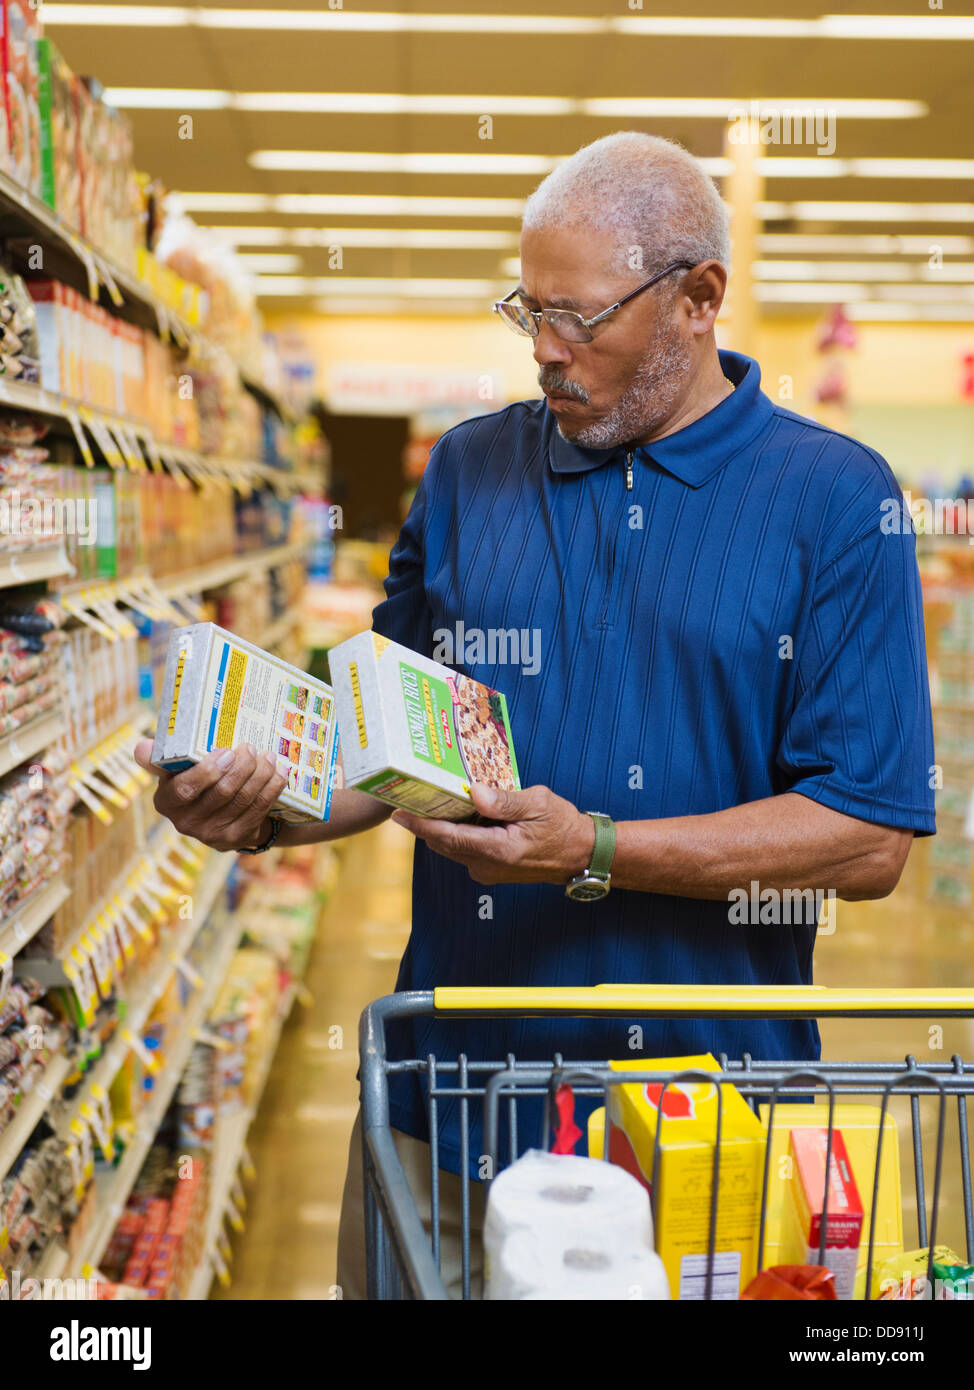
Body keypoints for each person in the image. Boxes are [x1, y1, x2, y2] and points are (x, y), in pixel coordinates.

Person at [134, 132, 935, 1300]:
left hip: (701, 1129)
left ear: (695, 298)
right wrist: (261, 812)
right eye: (529, 314)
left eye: (581, 319)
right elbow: (390, 747)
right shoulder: (467, 472)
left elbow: (865, 839)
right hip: (451, 1098)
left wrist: (594, 852)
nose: (548, 354)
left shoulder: (832, 497)